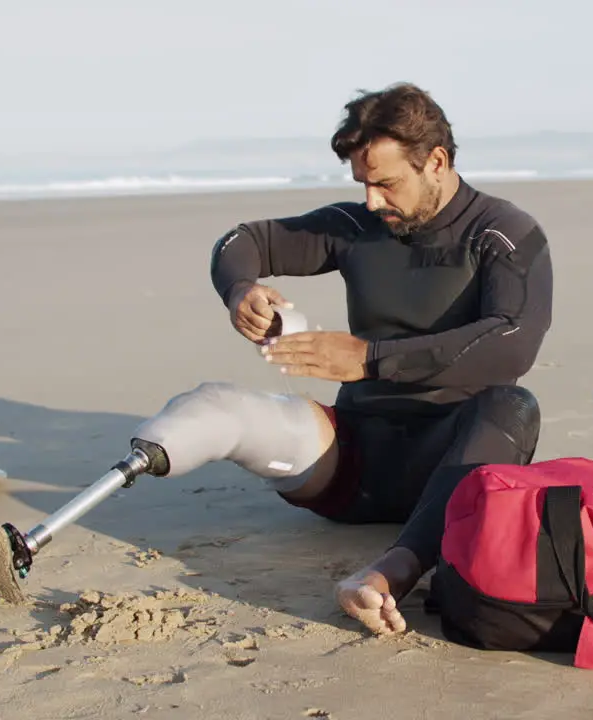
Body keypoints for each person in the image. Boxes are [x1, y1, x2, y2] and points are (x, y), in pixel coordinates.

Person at [201, 82, 554, 635]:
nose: (372, 200)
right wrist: (239, 289)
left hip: (454, 463)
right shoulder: (358, 227)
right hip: (355, 470)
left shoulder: (503, 234)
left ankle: (395, 568)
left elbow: (513, 342)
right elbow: (242, 240)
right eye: (364, 184)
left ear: (435, 161)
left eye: (387, 183)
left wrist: (370, 359)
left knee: (513, 404)